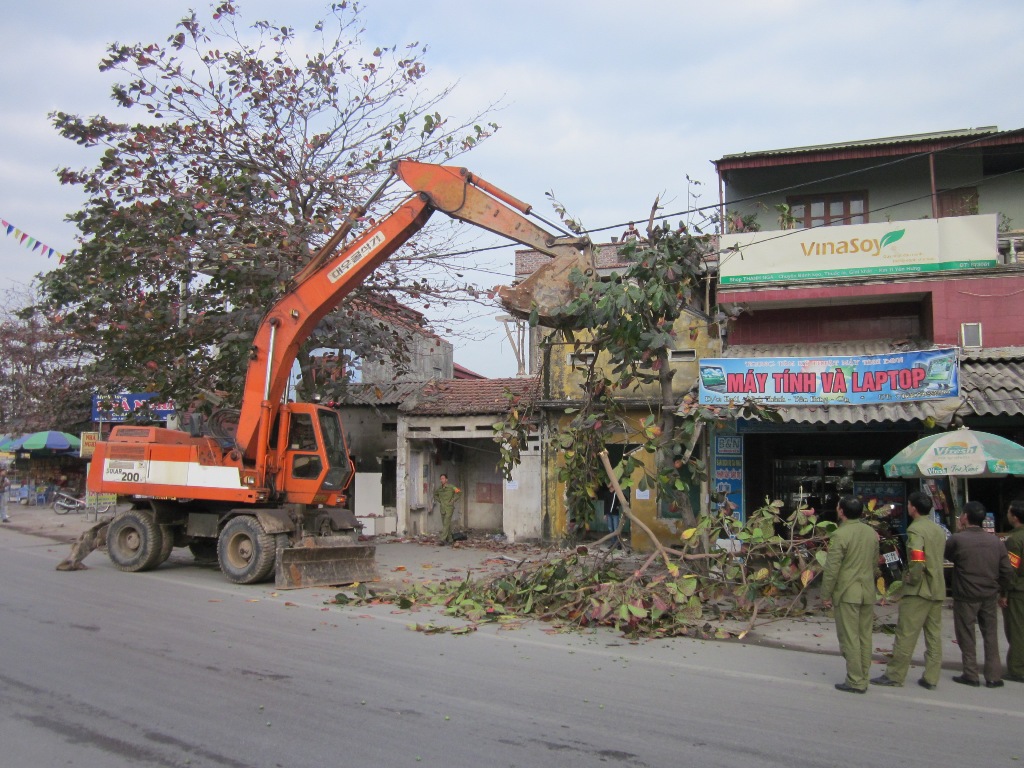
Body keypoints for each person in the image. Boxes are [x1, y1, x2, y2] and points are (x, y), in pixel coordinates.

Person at [871, 491, 947, 690]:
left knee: (906, 634)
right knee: (933, 635)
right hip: (937, 588)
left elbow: (917, 559)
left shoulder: (915, 530)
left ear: (913, 507)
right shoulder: (937, 529)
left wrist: (912, 579)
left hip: (919, 590)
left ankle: (895, 675)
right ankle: (931, 677)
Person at [944, 500, 1014, 687]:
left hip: (965, 595)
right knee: (990, 635)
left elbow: (949, 556)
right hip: (989, 594)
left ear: (965, 517)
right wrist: (1002, 590)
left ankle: (971, 673)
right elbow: (1007, 571)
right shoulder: (996, 541)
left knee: (966, 635)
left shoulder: (957, 539)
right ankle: (993, 676)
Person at [820, 495, 879, 693]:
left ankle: (855, 680)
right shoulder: (871, 532)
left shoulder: (840, 534)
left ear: (841, 512)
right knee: (864, 636)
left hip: (847, 592)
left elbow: (832, 568)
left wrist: (826, 594)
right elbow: (873, 564)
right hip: (867, 591)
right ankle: (863, 675)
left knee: (849, 638)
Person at [1001, 500, 1024, 683]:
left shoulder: (1015, 540)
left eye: (1009, 512)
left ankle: (1017, 669)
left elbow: (1010, 570)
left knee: (1016, 630)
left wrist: (1004, 593)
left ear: (1015, 517)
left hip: (1018, 591)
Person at [433, 473, 461, 546]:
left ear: (446, 479)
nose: (441, 480)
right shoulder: (439, 488)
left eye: (443, 478)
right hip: (442, 508)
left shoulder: (451, 487)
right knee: (446, 524)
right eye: (441, 479)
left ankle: (442, 539)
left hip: (449, 508)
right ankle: (450, 539)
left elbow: (459, 492)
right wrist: (440, 501)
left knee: (446, 523)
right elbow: (435, 494)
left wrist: (453, 500)